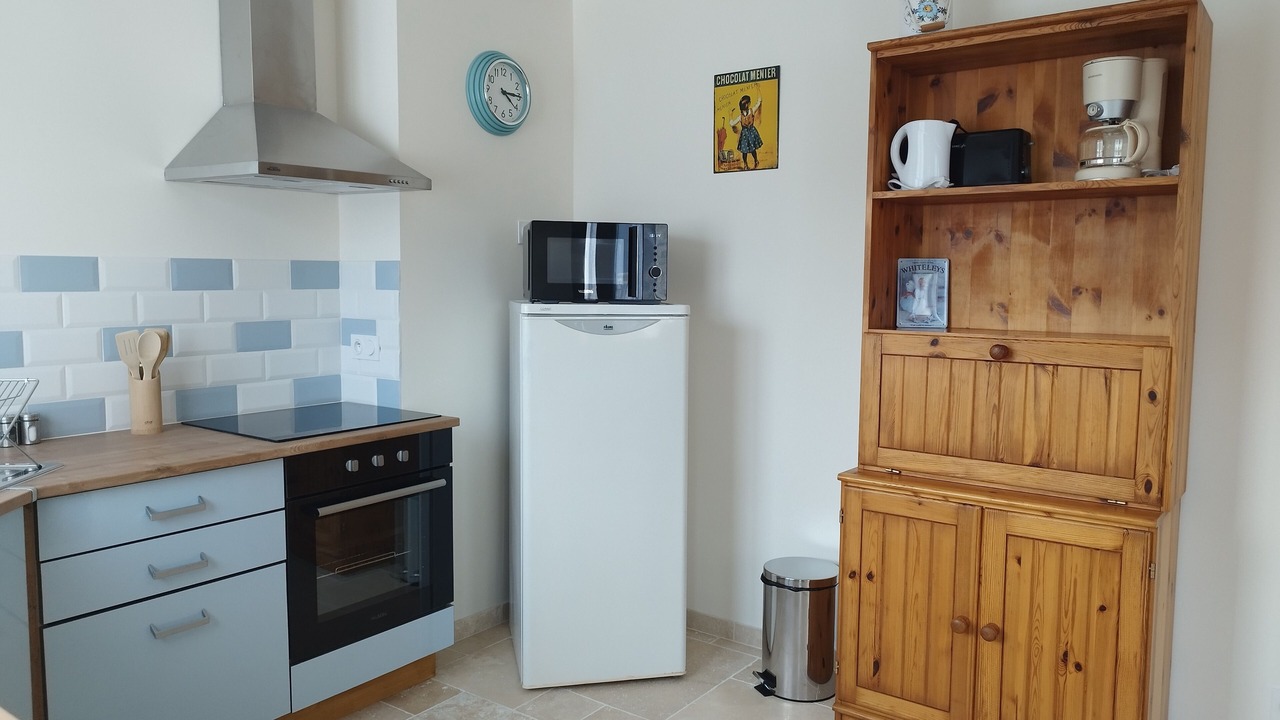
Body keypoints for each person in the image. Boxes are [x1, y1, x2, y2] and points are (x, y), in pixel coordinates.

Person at [730, 94, 764, 169]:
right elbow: (732, 123)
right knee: (744, 151)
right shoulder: (740, 116)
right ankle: (745, 164)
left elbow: (759, 102)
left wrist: (758, 90)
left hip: (752, 133)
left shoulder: (752, 110)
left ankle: (756, 161)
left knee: (753, 150)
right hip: (744, 135)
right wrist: (730, 115)